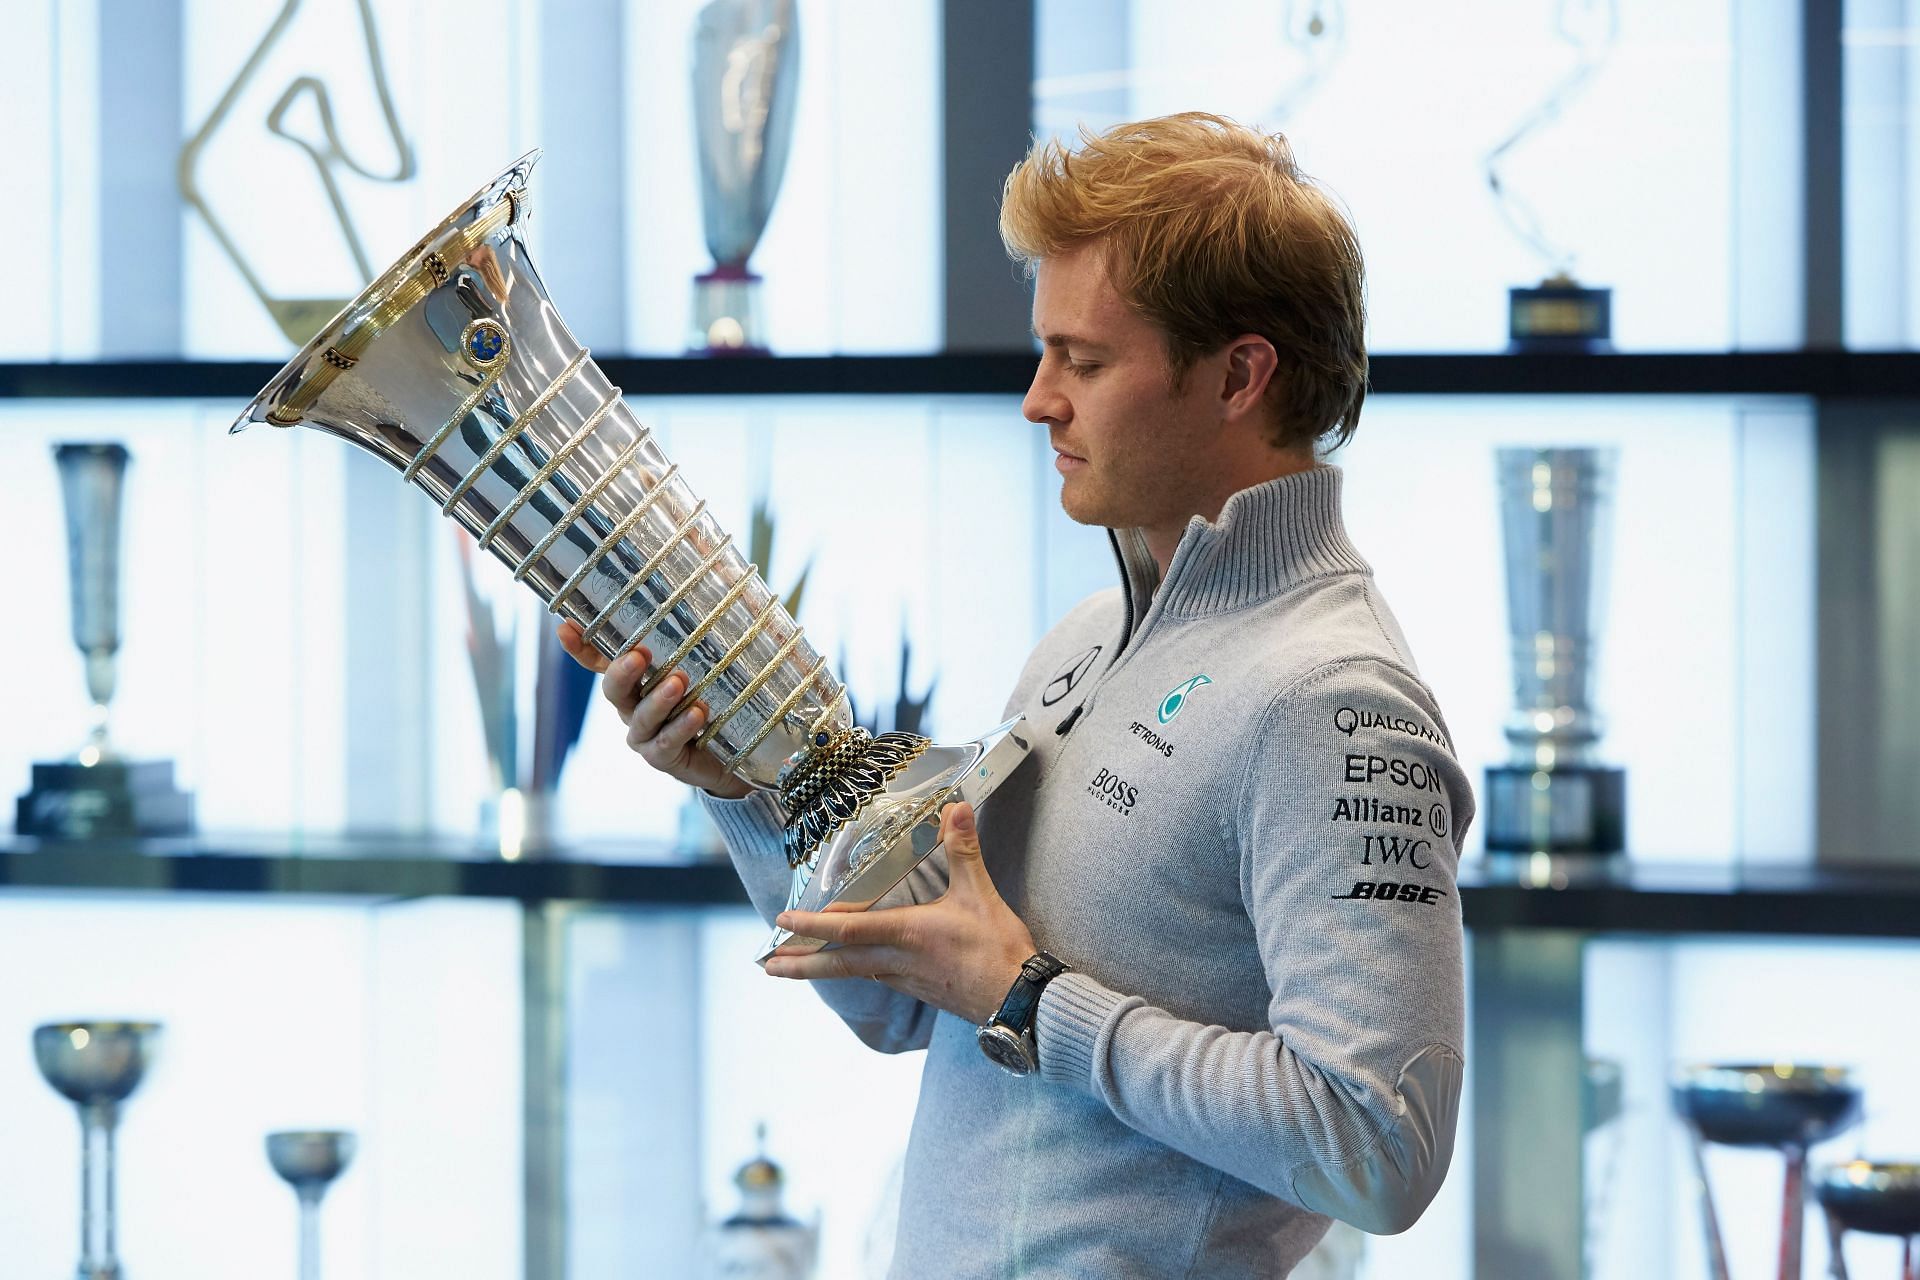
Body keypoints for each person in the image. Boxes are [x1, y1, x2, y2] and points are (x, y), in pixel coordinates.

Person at [561, 112, 1473, 1278]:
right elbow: (904, 1006)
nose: (1039, 400)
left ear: (1241, 374)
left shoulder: (1333, 698)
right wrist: (742, 789)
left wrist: (1031, 999)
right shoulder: (1081, 646)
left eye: (1083, 360)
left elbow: (1377, 1143)